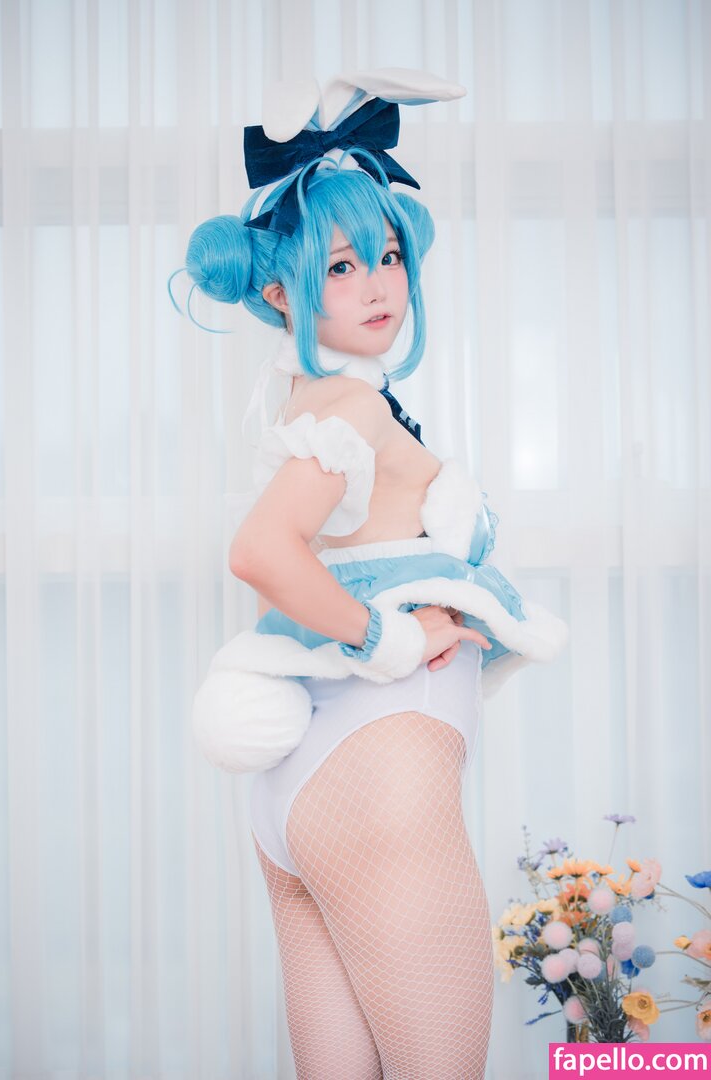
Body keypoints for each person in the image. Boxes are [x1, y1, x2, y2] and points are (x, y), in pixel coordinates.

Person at [172, 69, 569, 1079]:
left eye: (386, 255)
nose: (379, 285)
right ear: (279, 291)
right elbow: (260, 550)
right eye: (340, 266)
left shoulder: (311, 404)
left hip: (301, 793)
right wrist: (389, 635)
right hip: (378, 773)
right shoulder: (347, 411)